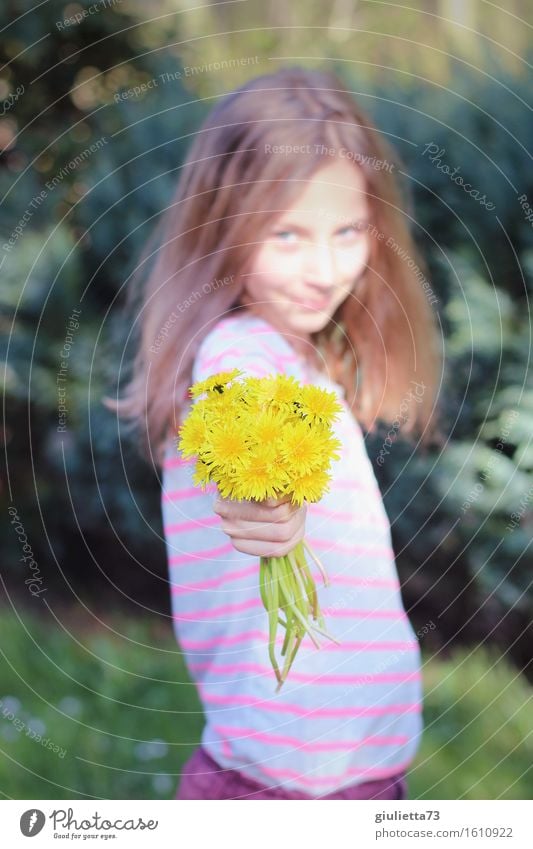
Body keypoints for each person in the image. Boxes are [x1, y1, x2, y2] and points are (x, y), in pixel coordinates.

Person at [110, 65, 442, 799]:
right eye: (285, 233)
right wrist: (268, 508)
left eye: (347, 230)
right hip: (292, 792)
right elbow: (249, 464)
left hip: (341, 772)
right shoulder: (237, 354)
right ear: (220, 224)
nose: (324, 269)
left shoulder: (297, 357)